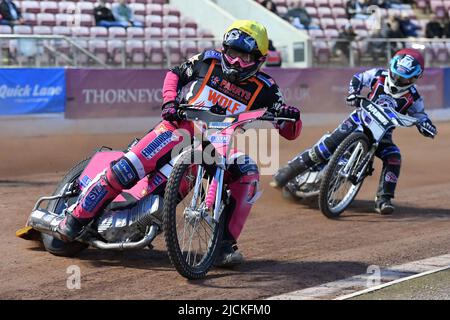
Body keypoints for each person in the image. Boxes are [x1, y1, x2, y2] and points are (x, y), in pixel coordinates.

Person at [56, 20, 302, 267]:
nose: (236, 61)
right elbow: (174, 73)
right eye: (232, 52)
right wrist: (169, 102)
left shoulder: (268, 89)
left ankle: (224, 246)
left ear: (259, 60)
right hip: (180, 127)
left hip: (218, 142)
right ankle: (76, 217)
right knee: (128, 166)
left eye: (244, 56)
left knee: (248, 170)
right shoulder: (207, 60)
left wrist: (292, 118)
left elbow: (289, 131)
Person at [271, 48, 437, 215]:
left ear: (415, 78)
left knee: (394, 157)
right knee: (324, 148)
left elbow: (421, 115)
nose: (398, 80)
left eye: (403, 78)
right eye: (396, 75)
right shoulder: (378, 74)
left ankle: (383, 199)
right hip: (357, 120)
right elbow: (358, 78)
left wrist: (426, 126)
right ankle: (286, 174)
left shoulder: (414, 98)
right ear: (391, 67)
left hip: (383, 135)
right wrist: (353, 94)